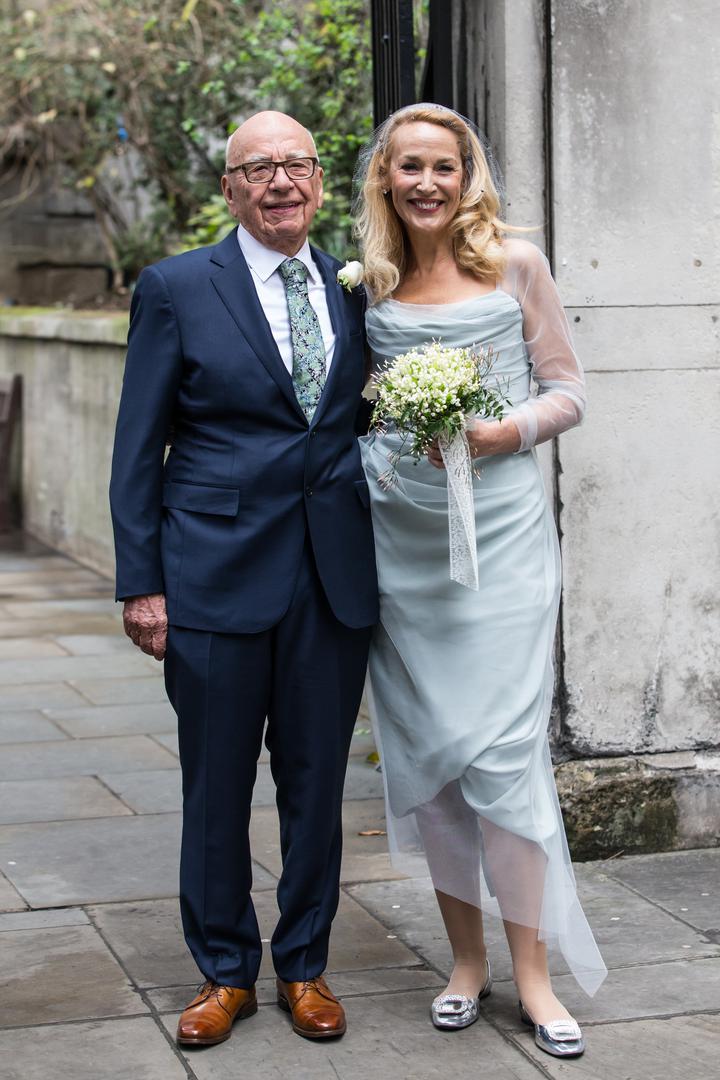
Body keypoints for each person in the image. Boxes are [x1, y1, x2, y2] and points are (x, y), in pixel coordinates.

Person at [109, 111, 378, 1046]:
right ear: (229, 188)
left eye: (297, 165)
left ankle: (304, 964)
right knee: (216, 787)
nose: (280, 183)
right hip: (213, 575)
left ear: (319, 181)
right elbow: (137, 447)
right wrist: (142, 583)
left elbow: (365, 425)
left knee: (317, 784)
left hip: (332, 579)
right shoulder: (177, 287)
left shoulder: (357, 287)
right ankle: (225, 972)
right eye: (258, 168)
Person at [355, 103, 607, 1059]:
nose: (427, 183)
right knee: (432, 762)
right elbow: (360, 409)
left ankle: (534, 976)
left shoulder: (516, 264)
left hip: (499, 541)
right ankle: (467, 963)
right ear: (386, 179)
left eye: (443, 167)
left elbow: (568, 391)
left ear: (467, 177)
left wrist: (506, 432)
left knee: (505, 756)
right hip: (404, 542)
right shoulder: (371, 282)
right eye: (409, 166)